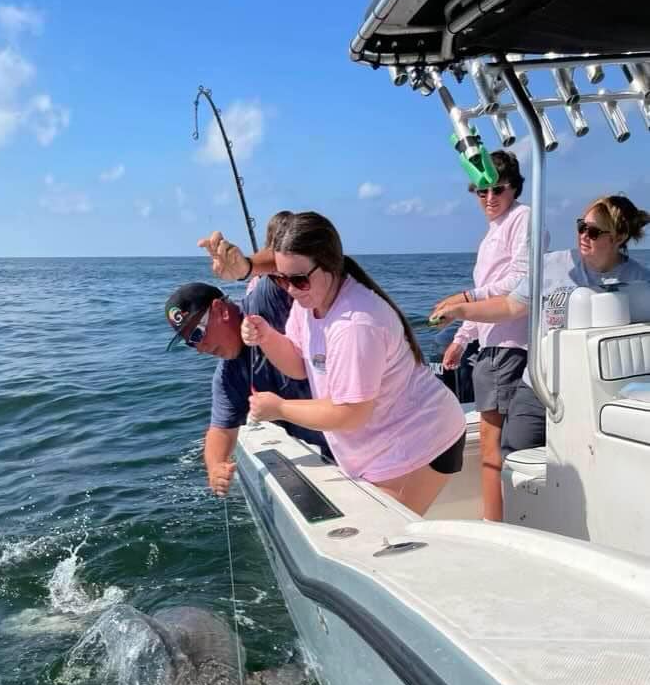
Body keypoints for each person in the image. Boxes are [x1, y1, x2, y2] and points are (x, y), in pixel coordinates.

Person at [200, 211, 467, 515]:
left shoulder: (355, 324)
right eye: (280, 279)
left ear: (329, 264)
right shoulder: (310, 301)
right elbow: (300, 364)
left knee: (379, 545)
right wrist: (266, 336)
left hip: (420, 443)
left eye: (298, 280)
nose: (289, 289)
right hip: (380, 448)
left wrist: (280, 408)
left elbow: (350, 413)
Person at [430, 193, 650, 457]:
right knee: (514, 457)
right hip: (541, 386)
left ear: (618, 238)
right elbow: (510, 306)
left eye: (593, 232)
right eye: (581, 226)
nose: (583, 235)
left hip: (596, 393)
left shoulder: (641, 282)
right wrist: (461, 310)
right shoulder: (552, 266)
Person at [433, 151, 531, 521]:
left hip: (511, 348)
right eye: (481, 191)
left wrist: (468, 299)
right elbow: (486, 290)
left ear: (514, 188)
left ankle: (497, 526)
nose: (489, 198)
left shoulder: (523, 219)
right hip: (489, 350)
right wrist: (461, 338)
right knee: (493, 449)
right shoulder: (491, 235)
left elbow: (521, 280)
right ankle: (499, 522)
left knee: (495, 449)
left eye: (497, 189)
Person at [165, 277, 329, 497]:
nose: (200, 349)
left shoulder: (265, 300)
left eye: (197, 334)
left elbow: (292, 261)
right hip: (334, 453)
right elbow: (220, 430)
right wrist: (215, 467)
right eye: (190, 343)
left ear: (221, 310)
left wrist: (249, 265)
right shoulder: (227, 377)